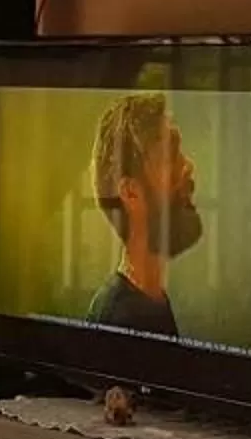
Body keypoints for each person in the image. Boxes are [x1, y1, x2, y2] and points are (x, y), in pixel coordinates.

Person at [84, 92, 203, 338]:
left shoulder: (150, 299)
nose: (188, 165)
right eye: (170, 155)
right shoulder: (119, 320)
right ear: (130, 193)